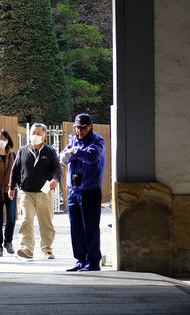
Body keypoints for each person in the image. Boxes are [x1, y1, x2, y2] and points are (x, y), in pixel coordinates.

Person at [9, 123, 62, 260]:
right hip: (26, 191)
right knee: (26, 219)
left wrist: (55, 179)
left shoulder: (50, 152)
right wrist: (11, 187)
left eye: (38, 133)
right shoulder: (23, 150)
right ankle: (27, 248)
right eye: (33, 132)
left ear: (44, 136)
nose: (35, 135)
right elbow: (15, 170)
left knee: (46, 222)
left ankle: (47, 249)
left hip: (45, 191)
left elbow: (58, 168)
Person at [60, 113, 105, 272]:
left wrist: (74, 152)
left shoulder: (97, 140)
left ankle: (93, 262)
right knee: (76, 228)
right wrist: (66, 155)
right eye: (77, 128)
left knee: (90, 228)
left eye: (82, 128)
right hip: (73, 190)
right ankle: (80, 261)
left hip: (90, 190)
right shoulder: (73, 141)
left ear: (90, 127)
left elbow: (92, 156)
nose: (79, 131)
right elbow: (62, 158)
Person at [0, 129, 17, 256]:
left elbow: (17, 172)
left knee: (11, 218)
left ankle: (8, 241)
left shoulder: (13, 155)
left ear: (8, 141)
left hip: (11, 189)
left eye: (4, 139)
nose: (2, 141)